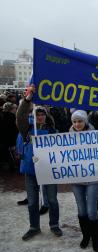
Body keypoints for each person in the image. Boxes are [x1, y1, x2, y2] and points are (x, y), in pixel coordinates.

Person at [16, 86, 62, 240]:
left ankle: (54, 224)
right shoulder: (26, 129)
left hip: (48, 170)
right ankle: (34, 227)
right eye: (37, 114)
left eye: (42, 114)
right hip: (31, 170)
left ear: (46, 116)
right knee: (32, 202)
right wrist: (27, 100)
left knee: (53, 200)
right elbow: (20, 116)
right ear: (33, 116)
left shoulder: (52, 131)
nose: (40, 117)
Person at [69, 110, 98, 252]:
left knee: (92, 211)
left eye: (79, 121)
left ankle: (95, 239)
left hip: (92, 178)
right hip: (76, 179)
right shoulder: (67, 138)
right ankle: (86, 237)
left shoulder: (95, 136)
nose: (77, 124)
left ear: (85, 121)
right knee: (82, 211)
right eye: (74, 121)